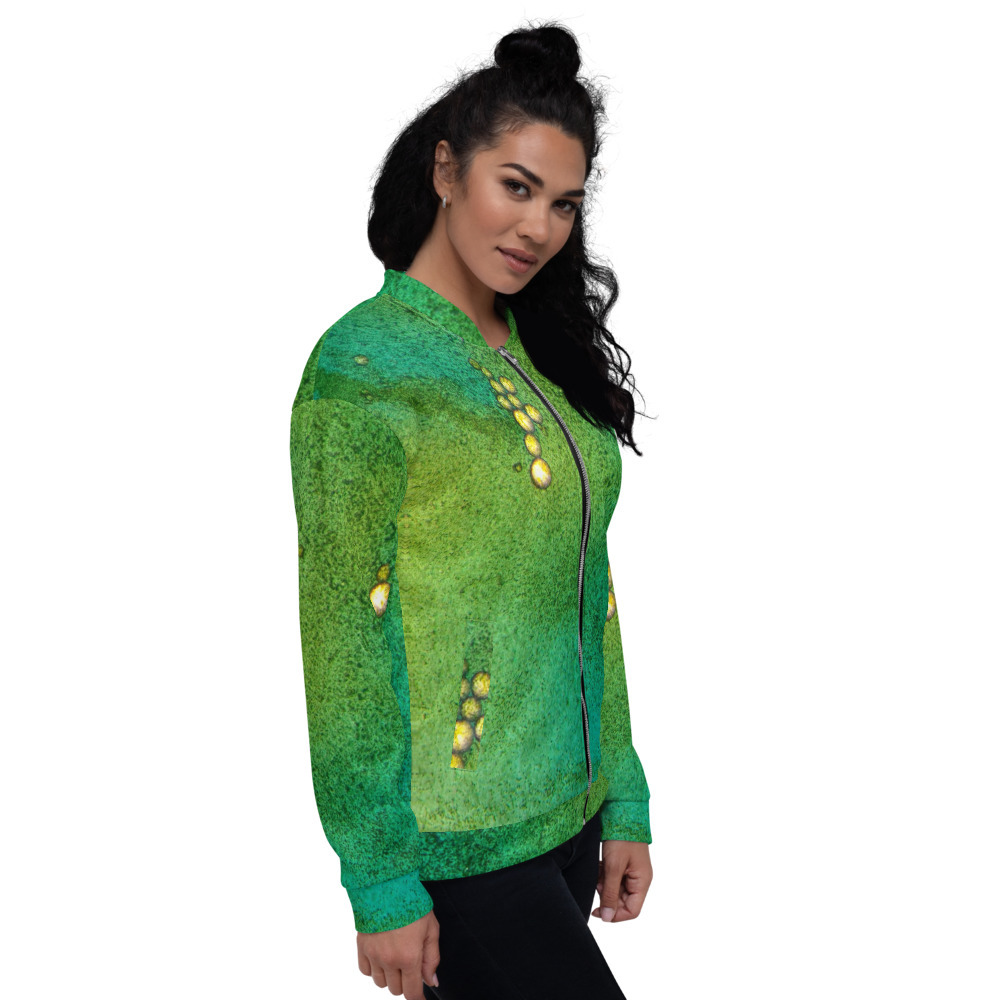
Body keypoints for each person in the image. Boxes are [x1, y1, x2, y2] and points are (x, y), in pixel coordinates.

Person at [289, 21, 653, 1000]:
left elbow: (588, 586)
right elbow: (343, 639)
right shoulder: (362, 372)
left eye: (564, 204)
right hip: (453, 847)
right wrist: (379, 879)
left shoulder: (541, 346)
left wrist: (621, 790)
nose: (539, 227)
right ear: (448, 171)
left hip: (571, 817)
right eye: (516, 187)